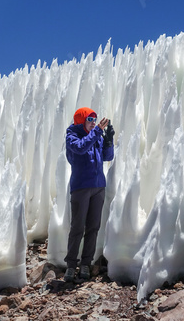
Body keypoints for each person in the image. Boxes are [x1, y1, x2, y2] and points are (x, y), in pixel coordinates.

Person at [64, 107, 115, 282]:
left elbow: (107, 157)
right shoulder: (72, 135)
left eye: (95, 119)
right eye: (90, 119)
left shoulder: (96, 136)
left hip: (98, 187)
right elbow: (80, 148)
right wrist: (98, 132)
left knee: (93, 227)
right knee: (77, 227)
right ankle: (71, 265)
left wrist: (108, 141)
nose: (93, 123)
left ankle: (86, 263)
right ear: (81, 120)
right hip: (81, 187)